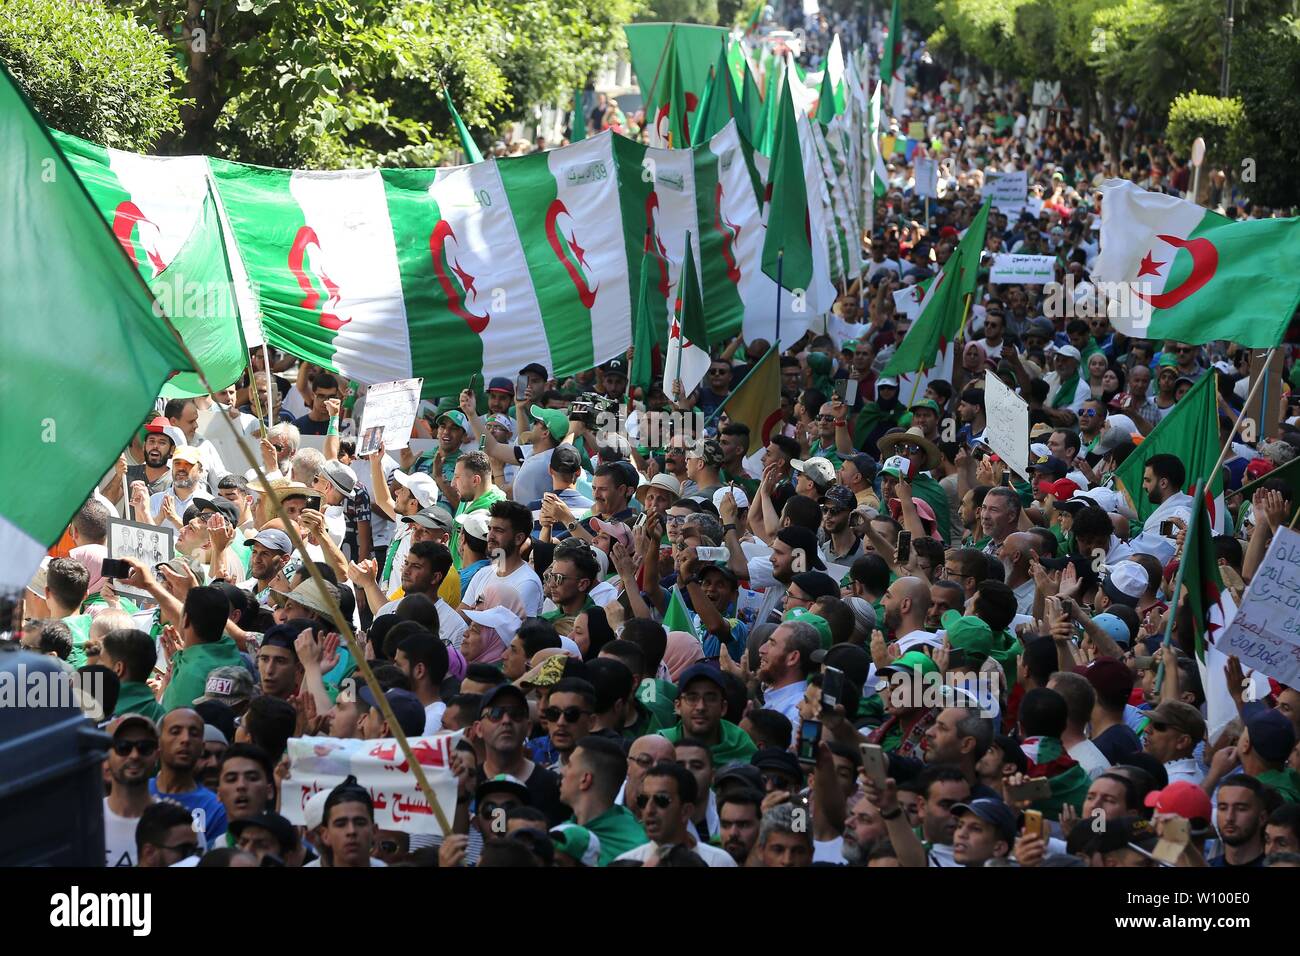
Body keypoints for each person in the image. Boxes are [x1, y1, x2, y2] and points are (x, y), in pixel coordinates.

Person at [614, 763, 737, 866]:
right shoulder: (627, 861)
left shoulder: (719, 862)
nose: (649, 809)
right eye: (643, 800)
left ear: (686, 811)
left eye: (661, 800)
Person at [559, 735, 647, 865]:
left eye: (569, 765)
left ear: (585, 779)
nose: (562, 771)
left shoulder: (638, 852)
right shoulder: (562, 834)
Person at [148, 708, 227, 847]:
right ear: (158, 743)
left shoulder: (216, 809)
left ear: (201, 747)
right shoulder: (137, 793)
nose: (185, 739)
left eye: (194, 733)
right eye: (175, 732)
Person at [103, 714, 159, 867]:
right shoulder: (86, 820)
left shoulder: (178, 823)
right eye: (123, 747)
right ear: (107, 755)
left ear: (157, 755)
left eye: (144, 748)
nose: (134, 755)